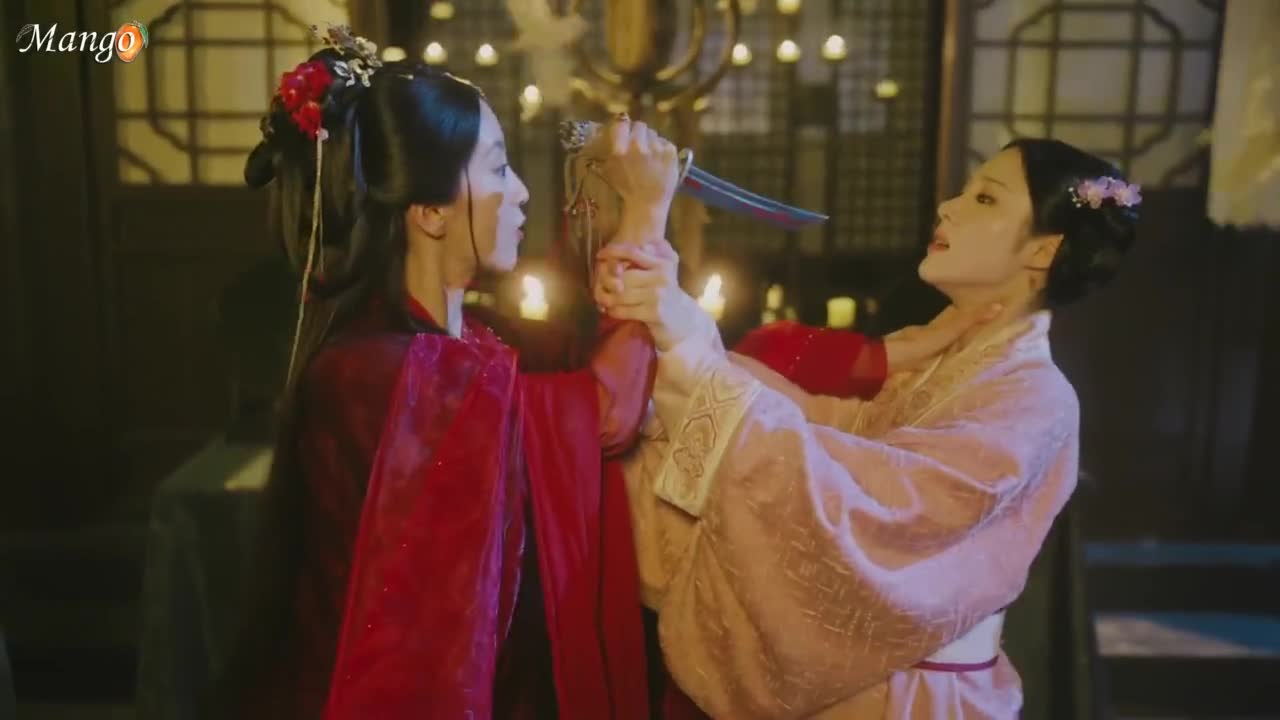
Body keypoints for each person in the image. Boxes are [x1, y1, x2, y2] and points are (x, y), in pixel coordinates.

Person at [211, 26, 681, 720]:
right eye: (496, 169)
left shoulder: (448, 345)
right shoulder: (377, 371)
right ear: (429, 211)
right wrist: (644, 218)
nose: (520, 192)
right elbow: (602, 414)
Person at [596, 138, 1139, 718]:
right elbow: (817, 426)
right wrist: (678, 328)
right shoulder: (939, 366)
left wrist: (684, 340)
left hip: (914, 695)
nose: (948, 207)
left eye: (985, 198)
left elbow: (873, 503)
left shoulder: (1036, 398)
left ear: (1044, 249)